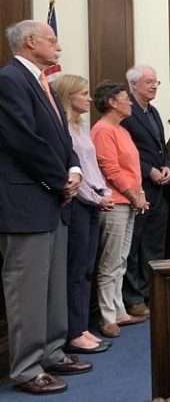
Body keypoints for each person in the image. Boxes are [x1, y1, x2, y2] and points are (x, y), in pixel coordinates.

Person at [0, 20, 91, 395]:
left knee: (53, 286)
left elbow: (59, 135)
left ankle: (53, 352)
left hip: (53, 199)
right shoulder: (10, 80)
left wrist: (72, 169)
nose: (58, 45)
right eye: (52, 39)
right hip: (25, 202)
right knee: (28, 291)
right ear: (31, 42)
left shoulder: (44, 83)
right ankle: (26, 368)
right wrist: (59, 178)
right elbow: (23, 139)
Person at [51, 74, 113, 354]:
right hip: (76, 204)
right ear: (68, 96)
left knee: (87, 267)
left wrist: (103, 193)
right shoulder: (61, 127)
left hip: (91, 203)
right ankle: (74, 332)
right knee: (75, 270)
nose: (89, 98)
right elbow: (73, 173)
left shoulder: (81, 126)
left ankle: (83, 327)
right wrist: (96, 197)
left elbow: (92, 167)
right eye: (84, 93)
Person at [91, 82, 150, 338]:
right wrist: (132, 195)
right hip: (115, 202)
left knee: (121, 260)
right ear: (112, 102)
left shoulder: (121, 130)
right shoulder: (103, 130)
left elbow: (132, 169)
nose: (130, 103)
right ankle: (107, 317)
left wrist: (140, 195)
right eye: (126, 98)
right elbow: (110, 170)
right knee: (109, 262)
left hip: (129, 201)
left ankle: (119, 311)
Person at [121, 64, 170, 317]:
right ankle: (133, 298)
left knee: (154, 246)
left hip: (158, 190)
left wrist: (166, 167)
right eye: (149, 81)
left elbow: (160, 147)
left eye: (156, 82)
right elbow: (124, 152)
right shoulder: (125, 112)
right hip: (136, 190)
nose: (154, 86)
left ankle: (153, 294)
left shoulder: (153, 112)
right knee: (133, 246)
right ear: (134, 85)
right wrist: (148, 170)